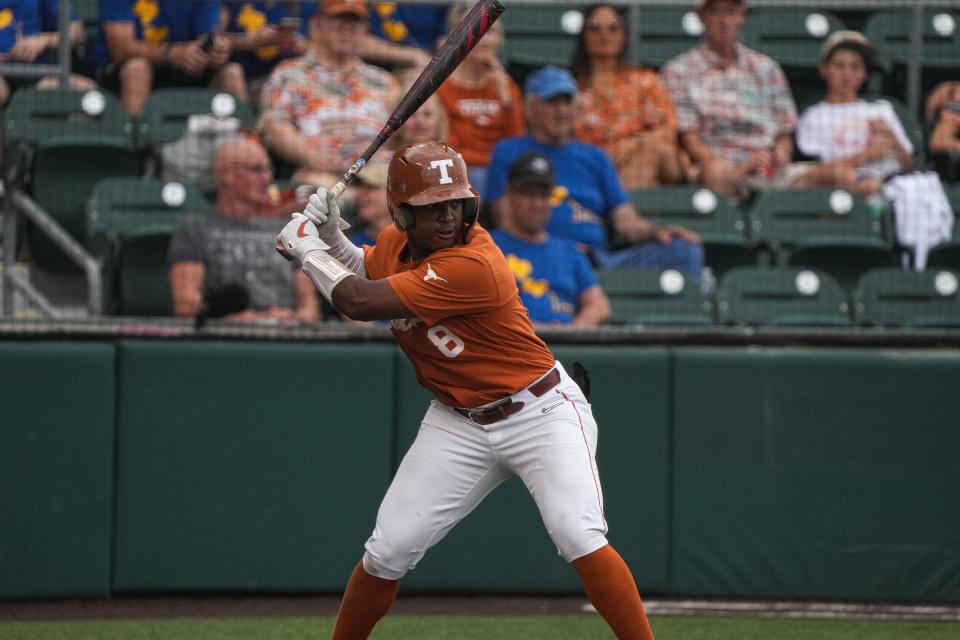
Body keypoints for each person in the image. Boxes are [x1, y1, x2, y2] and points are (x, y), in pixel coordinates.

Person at [275, 141, 657, 639]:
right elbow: (369, 270)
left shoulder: (475, 264)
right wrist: (331, 238)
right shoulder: (397, 241)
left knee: (577, 533)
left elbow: (357, 300)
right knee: (388, 549)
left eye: (455, 202)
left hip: (540, 411)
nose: (448, 216)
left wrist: (308, 250)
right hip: (458, 420)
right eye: (433, 207)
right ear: (403, 212)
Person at [487, 65, 703, 275]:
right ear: (530, 109)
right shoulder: (508, 151)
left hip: (598, 260)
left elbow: (625, 219)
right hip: (538, 256)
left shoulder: (595, 156)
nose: (562, 111)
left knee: (683, 250)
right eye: (552, 102)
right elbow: (503, 219)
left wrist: (655, 232)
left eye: (567, 102)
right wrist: (554, 248)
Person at [169, 136, 320, 323]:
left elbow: (310, 308)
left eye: (268, 169)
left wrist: (292, 318)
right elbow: (185, 303)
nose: (268, 178)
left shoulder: (289, 230)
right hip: (226, 340)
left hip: (285, 337)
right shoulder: (195, 229)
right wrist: (231, 317)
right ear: (227, 174)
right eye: (257, 169)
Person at [661, 0, 800, 200]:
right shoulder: (678, 71)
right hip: (718, 167)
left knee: (837, 177)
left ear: (742, 16)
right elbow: (689, 139)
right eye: (716, 12)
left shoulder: (766, 67)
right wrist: (737, 168)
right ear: (701, 17)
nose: (724, 21)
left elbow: (785, 132)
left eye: (731, 12)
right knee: (715, 174)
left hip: (770, 169)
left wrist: (780, 154)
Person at [257, 0, 399, 189]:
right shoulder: (289, 74)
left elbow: (405, 134)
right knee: (322, 190)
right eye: (338, 19)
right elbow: (274, 129)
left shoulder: (384, 81)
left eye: (354, 22)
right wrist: (317, 158)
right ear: (316, 25)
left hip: (380, 175)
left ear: (365, 30)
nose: (346, 28)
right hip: (321, 173)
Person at [492, 151, 611, 327]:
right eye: (528, 194)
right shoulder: (487, 247)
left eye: (543, 195)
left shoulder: (570, 251)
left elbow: (599, 305)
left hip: (564, 347)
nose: (537, 204)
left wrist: (571, 333)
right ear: (509, 193)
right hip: (512, 345)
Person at [570, 3, 682, 189]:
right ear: (584, 36)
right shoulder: (570, 88)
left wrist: (633, 143)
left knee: (652, 151)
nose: (604, 34)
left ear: (624, 35)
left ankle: (618, 210)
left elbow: (668, 131)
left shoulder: (645, 80)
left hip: (646, 160)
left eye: (613, 27)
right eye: (595, 28)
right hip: (589, 168)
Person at [793, 31, 913, 197]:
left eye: (855, 66)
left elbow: (908, 166)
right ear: (824, 69)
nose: (847, 74)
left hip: (887, 186)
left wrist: (891, 137)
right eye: (839, 65)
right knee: (846, 176)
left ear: (865, 74)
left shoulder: (881, 109)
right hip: (838, 191)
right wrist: (868, 154)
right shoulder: (814, 115)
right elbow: (822, 171)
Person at [95, 0, 248, 115]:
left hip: (185, 69)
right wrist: (173, 54)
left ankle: (249, 147)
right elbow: (120, 48)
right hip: (123, 73)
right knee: (138, 69)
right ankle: (133, 149)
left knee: (232, 73)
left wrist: (215, 52)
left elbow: (208, 37)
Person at [437, 0, 523, 197]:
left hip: (502, 170)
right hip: (463, 170)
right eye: (475, 30)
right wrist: (491, 163)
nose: (483, 38)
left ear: (499, 39)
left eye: (490, 31)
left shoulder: (507, 87)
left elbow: (517, 142)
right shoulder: (443, 86)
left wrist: (507, 101)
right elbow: (448, 145)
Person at [0, 0, 95, 106]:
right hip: (2, 74)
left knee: (89, 94)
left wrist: (45, 40)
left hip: (37, 72)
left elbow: (79, 33)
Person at [221, 0, 314, 100]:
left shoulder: (307, 6)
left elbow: (325, 51)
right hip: (246, 79)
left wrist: (299, 45)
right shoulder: (231, 4)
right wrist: (252, 41)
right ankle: (244, 114)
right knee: (232, 72)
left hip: (289, 78)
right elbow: (215, 39)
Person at [361, 1, 446, 71]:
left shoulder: (438, 5)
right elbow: (359, 44)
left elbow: (442, 40)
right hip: (379, 67)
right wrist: (413, 56)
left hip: (425, 63)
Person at [349, 159, 392, 247]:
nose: (360, 193)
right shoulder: (350, 245)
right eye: (358, 185)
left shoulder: (416, 243)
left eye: (371, 186)